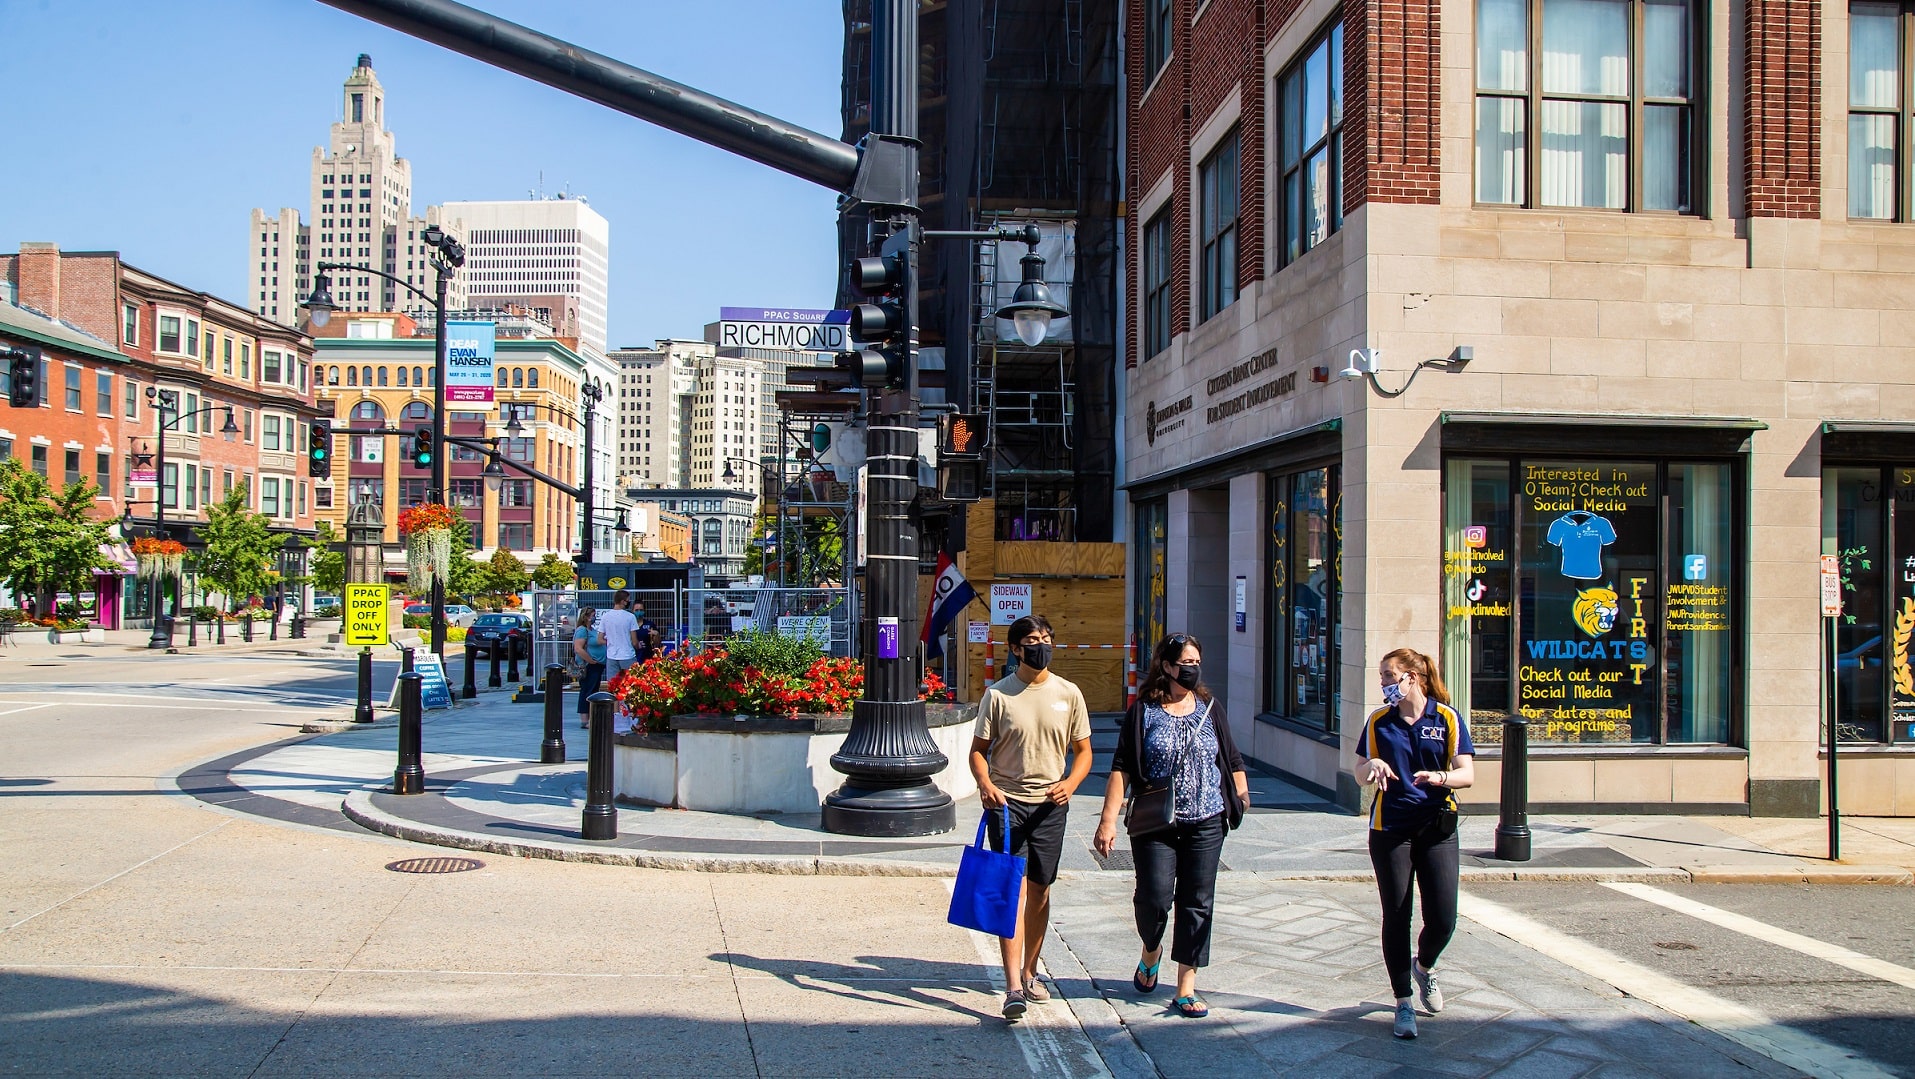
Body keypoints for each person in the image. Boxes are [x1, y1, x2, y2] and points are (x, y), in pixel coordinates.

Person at [1094, 633, 1248, 1019]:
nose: (1193, 668)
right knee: (1154, 899)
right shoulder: (1143, 711)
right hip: (1156, 823)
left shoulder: (1210, 707)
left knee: (1198, 902)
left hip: (1207, 821)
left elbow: (1231, 758)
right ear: (1166, 666)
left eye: (1197, 661)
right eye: (1186, 662)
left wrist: (1241, 798)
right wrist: (1107, 820)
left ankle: (1186, 987)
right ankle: (1151, 950)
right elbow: (1122, 767)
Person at [969, 614, 1093, 1021]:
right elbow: (978, 751)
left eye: (1046, 638)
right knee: (1011, 890)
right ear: (1016, 649)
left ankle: (1030, 971)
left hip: (1051, 807)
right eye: (1032, 640)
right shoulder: (999, 695)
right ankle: (1012, 986)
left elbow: (1084, 752)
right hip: (1007, 804)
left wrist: (1071, 784)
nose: (1041, 645)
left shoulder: (1069, 693)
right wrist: (986, 785)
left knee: (1040, 891)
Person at [1356, 647, 1475, 1041]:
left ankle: (1424, 966)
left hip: (1437, 827)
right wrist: (1370, 767)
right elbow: (1358, 770)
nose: (1385, 684)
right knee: (1397, 914)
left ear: (1413, 676)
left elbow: (1467, 774)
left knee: (1443, 917)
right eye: (1382, 678)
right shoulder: (1379, 721)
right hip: (1390, 829)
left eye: (1390, 676)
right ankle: (1403, 1000)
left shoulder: (1446, 718)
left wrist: (1440, 778)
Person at [572, 606, 607, 729]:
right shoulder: (582, 630)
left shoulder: (592, 630)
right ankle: (585, 719)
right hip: (588, 666)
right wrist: (590, 660)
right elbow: (578, 648)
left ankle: (590, 717)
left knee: (593, 689)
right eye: (593, 615)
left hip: (597, 665)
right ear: (586, 617)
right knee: (587, 690)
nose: (594, 617)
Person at [597, 590, 641, 682]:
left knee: (613, 685)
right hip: (627, 655)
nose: (629, 602)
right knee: (632, 684)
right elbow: (634, 641)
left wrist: (610, 642)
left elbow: (600, 639)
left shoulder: (606, 616)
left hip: (611, 656)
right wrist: (638, 646)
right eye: (628, 600)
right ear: (623, 601)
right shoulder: (630, 617)